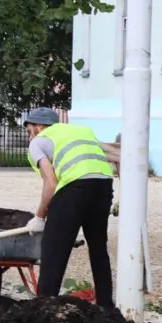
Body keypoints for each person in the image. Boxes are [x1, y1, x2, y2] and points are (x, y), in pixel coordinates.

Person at [22, 107, 116, 309]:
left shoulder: (38, 142)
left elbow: (51, 183)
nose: (30, 135)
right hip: (103, 185)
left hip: (74, 188)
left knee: (54, 248)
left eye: (29, 130)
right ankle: (106, 306)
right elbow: (117, 155)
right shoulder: (82, 132)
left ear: (39, 126)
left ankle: (44, 307)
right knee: (98, 247)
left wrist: (39, 217)